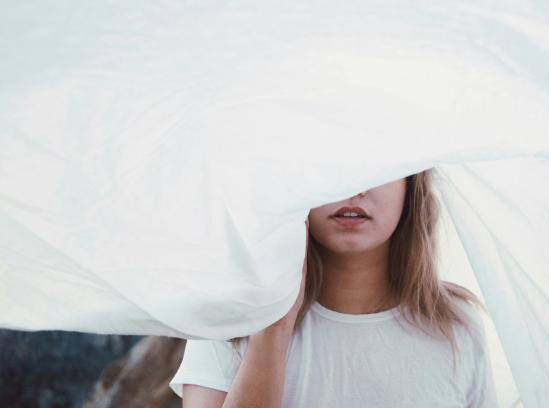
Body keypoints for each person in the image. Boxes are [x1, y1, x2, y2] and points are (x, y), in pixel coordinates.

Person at [169, 169, 499, 407]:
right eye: (333, 164)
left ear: (411, 184)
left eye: (378, 166)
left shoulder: (457, 326)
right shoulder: (229, 319)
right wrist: (273, 329)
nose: (355, 187)